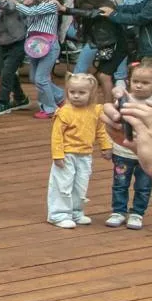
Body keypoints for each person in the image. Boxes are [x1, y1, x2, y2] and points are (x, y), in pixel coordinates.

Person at [47, 71, 111, 228]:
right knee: (62, 184)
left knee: (80, 185)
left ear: (91, 93)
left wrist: (106, 146)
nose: (76, 96)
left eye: (82, 92)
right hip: (67, 154)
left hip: (85, 155)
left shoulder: (96, 110)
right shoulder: (65, 112)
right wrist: (58, 155)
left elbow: (101, 131)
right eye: (72, 92)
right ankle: (58, 214)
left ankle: (76, 211)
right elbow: (57, 135)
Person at [106, 59, 152, 229]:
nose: (139, 86)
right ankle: (118, 211)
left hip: (146, 153)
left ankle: (137, 213)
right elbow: (114, 123)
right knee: (120, 183)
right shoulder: (124, 100)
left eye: (145, 83)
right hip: (123, 150)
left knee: (144, 186)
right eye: (135, 81)